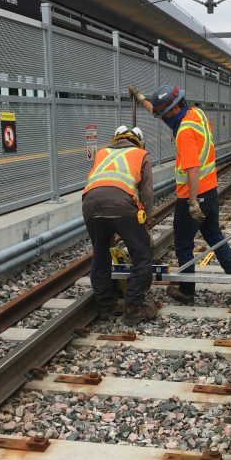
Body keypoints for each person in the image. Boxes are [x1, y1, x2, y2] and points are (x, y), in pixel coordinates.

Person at [128, 85, 231, 304]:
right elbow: (158, 112)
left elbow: (192, 169)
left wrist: (193, 202)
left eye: (165, 113)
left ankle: (187, 290)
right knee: (214, 235)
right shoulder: (197, 115)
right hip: (211, 191)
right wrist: (141, 99)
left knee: (183, 243)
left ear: (174, 110)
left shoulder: (184, 132)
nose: (163, 117)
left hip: (192, 197)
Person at [82, 125, 158, 324]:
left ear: (116, 138)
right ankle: (133, 307)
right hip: (122, 206)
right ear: (138, 141)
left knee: (101, 254)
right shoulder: (141, 154)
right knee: (142, 253)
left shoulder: (102, 153)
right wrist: (147, 221)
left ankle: (106, 307)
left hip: (90, 205)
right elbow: (147, 193)